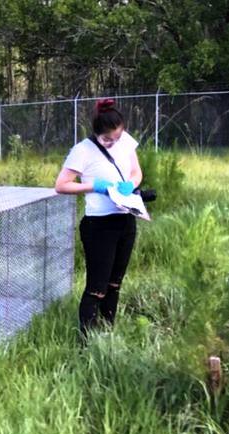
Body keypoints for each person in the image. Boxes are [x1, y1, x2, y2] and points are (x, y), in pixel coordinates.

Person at [54, 98, 143, 337]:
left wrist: (130, 184)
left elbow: (136, 172)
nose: (113, 143)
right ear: (96, 133)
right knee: (98, 287)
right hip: (99, 226)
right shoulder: (82, 151)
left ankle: (107, 332)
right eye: (107, 140)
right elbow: (61, 185)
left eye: (117, 138)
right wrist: (95, 186)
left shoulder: (125, 141)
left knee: (115, 283)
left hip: (126, 219)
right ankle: (87, 341)